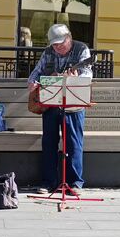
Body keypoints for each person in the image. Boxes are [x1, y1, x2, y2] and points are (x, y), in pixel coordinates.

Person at [27, 24, 93, 196]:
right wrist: (32, 82)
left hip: (74, 105)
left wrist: (76, 78)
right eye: (54, 45)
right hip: (50, 104)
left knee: (74, 143)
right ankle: (48, 182)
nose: (57, 48)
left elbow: (87, 75)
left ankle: (76, 183)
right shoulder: (48, 52)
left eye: (60, 44)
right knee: (48, 142)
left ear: (68, 38)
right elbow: (36, 72)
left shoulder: (81, 50)